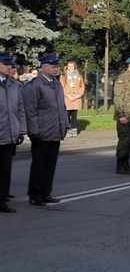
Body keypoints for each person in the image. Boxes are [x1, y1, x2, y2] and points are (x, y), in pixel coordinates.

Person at [23, 52, 69, 206]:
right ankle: (35, 194)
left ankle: (46, 192)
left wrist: (65, 125)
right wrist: (33, 131)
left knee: (50, 165)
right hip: (42, 132)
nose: (56, 69)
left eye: (57, 66)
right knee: (39, 164)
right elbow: (31, 110)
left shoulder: (56, 83)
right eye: (53, 66)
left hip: (55, 130)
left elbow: (61, 107)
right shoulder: (35, 85)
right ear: (44, 67)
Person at [1, 51, 27, 213]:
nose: (8, 67)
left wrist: (21, 130)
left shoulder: (13, 85)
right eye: (5, 64)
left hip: (9, 133)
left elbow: (20, 109)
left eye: (10, 64)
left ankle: (2, 200)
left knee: (5, 169)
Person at [60, 60, 85, 137]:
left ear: (74, 67)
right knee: (66, 115)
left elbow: (82, 86)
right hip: (67, 99)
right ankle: (67, 130)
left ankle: (74, 129)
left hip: (76, 99)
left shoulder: (78, 77)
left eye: (71, 66)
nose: (70, 68)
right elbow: (62, 86)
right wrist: (68, 96)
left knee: (74, 115)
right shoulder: (63, 76)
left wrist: (77, 95)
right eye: (69, 66)